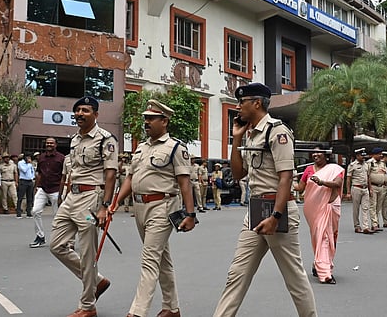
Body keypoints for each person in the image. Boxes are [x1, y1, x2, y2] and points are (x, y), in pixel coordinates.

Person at [213, 82, 317, 317]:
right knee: (237, 274)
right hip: (257, 208)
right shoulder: (251, 134)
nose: (238, 107)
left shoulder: (277, 131)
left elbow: (285, 177)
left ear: (257, 103)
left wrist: (276, 216)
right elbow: (239, 174)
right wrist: (236, 139)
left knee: (294, 277)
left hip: (276, 210)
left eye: (242, 102)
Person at [112, 99, 196, 317]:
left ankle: (137, 312)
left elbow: (185, 183)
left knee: (149, 259)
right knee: (162, 259)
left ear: (164, 121)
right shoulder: (141, 147)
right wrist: (116, 201)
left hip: (163, 207)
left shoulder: (176, 147)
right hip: (140, 208)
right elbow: (130, 178)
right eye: (145, 118)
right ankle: (172, 308)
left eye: (151, 118)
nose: (146, 122)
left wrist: (191, 214)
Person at [49, 96, 118, 317]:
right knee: (57, 245)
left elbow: (110, 174)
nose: (80, 114)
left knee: (88, 254)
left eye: (85, 110)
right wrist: (65, 195)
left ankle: (88, 306)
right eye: (77, 110)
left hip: (91, 201)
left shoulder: (105, 139)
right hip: (72, 198)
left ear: (96, 114)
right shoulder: (75, 140)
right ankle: (97, 281)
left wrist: (104, 207)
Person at [294, 147, 344, 284]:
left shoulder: (334, 169)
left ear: (326, 155)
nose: (315, 154)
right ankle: (324, 271)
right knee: (320, 238)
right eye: (314, 152)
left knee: (329, 237)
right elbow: (300, 188)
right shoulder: (308, 170)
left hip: (330, 206)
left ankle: (321, 265)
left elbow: (337, 184)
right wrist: (286, 180)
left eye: (319, 152)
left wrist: (322, 182)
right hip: (313, 210)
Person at [30, 137, 64, 248]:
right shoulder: (41, 158)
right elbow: (39, 174)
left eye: (52, 143)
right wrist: (36, 188)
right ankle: (40, 237)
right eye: (48, 143)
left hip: (56, 189)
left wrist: (62, 193)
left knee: (58, 216)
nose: (49, 144)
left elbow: (64, 176)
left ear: (55, 145)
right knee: (35, 211)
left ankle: (61, 240)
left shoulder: (61, 158)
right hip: (43, 188)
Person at [345, 148, 371, 234]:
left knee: (365, 207)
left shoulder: (367, 165)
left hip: (365, 188)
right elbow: (348, 179)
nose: (363, 157)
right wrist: (348, 192)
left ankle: (366, 226)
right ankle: (357, 226)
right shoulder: (352, 165)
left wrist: (370, 190)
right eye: (361, 155)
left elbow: (368, 177)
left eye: (364, 155)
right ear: (357, 156)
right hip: (356, 188)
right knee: (356, 209)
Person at [367, 147, 387, 231]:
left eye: (381, 154)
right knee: (373, 205)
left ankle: (376, 222)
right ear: (374, 155)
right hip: (373, 186)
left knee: (378, 206)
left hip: (381, 187)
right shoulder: (370, 163)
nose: (381, 155)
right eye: (379, 154)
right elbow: (368, 176)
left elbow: (385, 172)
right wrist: (369, 188)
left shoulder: (382, 163)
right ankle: (374, 224)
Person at [16, 153, 35, 218]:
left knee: (29, 198)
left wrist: (32, 177)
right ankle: (18, 213)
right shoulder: (20, 163)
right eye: (27, 157)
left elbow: (32, 171)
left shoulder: (30, 164)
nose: (29, 159)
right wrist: (29, 164)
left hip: (30, 181)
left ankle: (29, 212)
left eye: (30, 157)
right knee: (20, 197)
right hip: (23, 181)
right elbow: (24, 170)